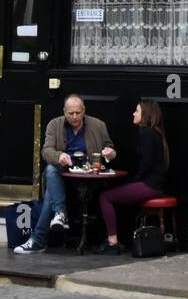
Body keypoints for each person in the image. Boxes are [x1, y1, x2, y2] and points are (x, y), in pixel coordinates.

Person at [14, 93, 115, 254]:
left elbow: (110, 147)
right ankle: (58, 215)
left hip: (88, 178)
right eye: (70, 113)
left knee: (50, 194)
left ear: (84, 111)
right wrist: (59, 156)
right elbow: (46, 151)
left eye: (78, 113)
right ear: (64, 111)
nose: (74, 117)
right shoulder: (54, 125)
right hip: (63, 175)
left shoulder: (98, 125)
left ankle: (42, 236)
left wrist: (110, 153)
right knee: (52, 169)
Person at [94, 99, 169, 254]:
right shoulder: (155, 133)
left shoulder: (146, 133)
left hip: (150, 185)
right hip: (155, 185)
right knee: (114, 194)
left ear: (145, 114)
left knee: (105, 197)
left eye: (137, 111)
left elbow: (146, 164)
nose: (133, 113)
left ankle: (112, 242)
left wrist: (133, 181)